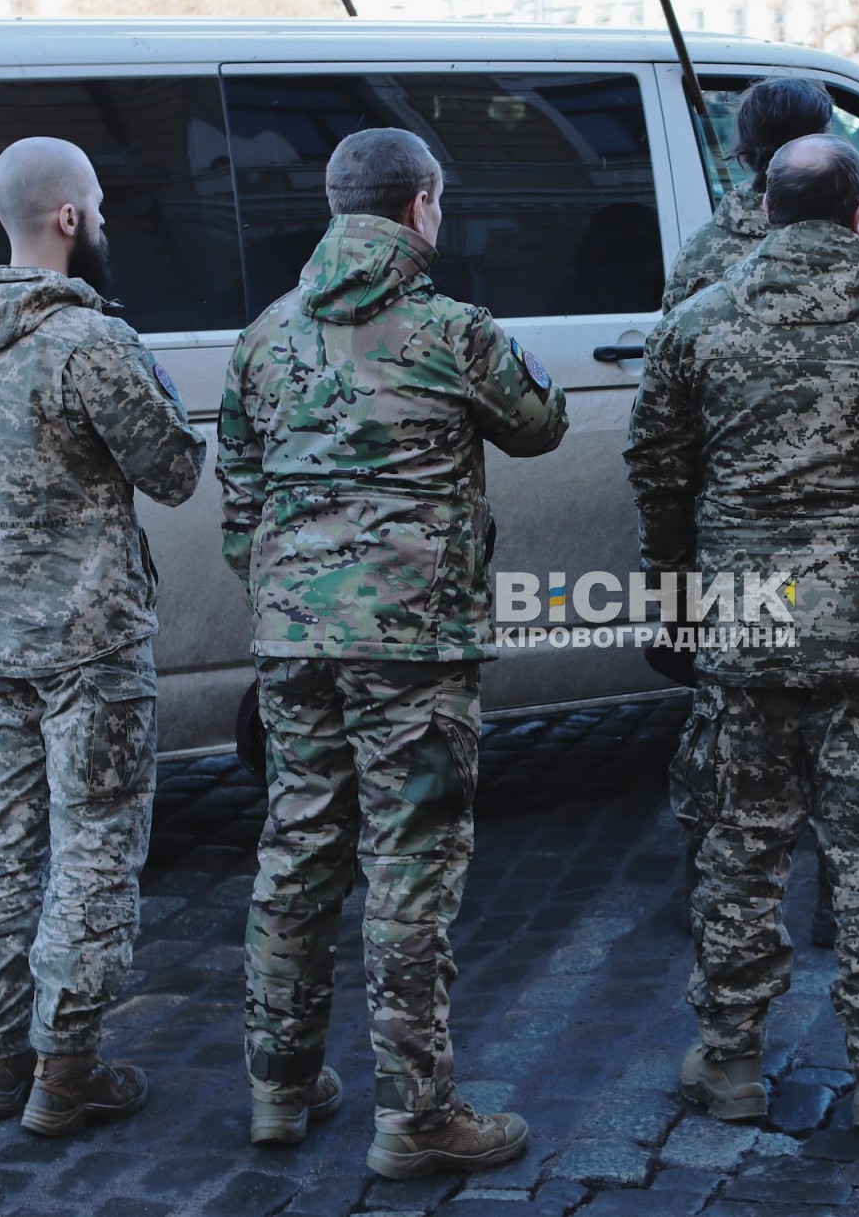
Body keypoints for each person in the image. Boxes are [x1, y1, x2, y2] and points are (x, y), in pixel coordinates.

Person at [218, 128, 568, 1176]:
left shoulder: (264, 335)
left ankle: (278, 1088)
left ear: (336, 206)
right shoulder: (452, 329)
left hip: (293, 637)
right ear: (422, 205)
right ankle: (415, 1117)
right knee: (409, 869)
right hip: (413, 641)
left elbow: (238, 501)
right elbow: (541, 423)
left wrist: (293, 596)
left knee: (296, 849)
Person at [629, 134, 859, 1133]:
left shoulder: (697, 323)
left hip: (745, 619)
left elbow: (658, 474)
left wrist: (674, 594)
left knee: (739, 849)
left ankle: (731, 1062)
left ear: (767, 211)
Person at [0, 138, 207, 1135]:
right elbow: (174, 471)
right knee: (94, 843)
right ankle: (67, 1066)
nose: (105, 223)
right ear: (72, 217)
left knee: (3, 840)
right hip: (92, 641)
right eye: (100, 206)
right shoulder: (90, 341)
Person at [665, 77, 832, 310]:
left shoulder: (698, 252)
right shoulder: (857, 246)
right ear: (825, 148)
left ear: (745, 149)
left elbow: (672, 329)